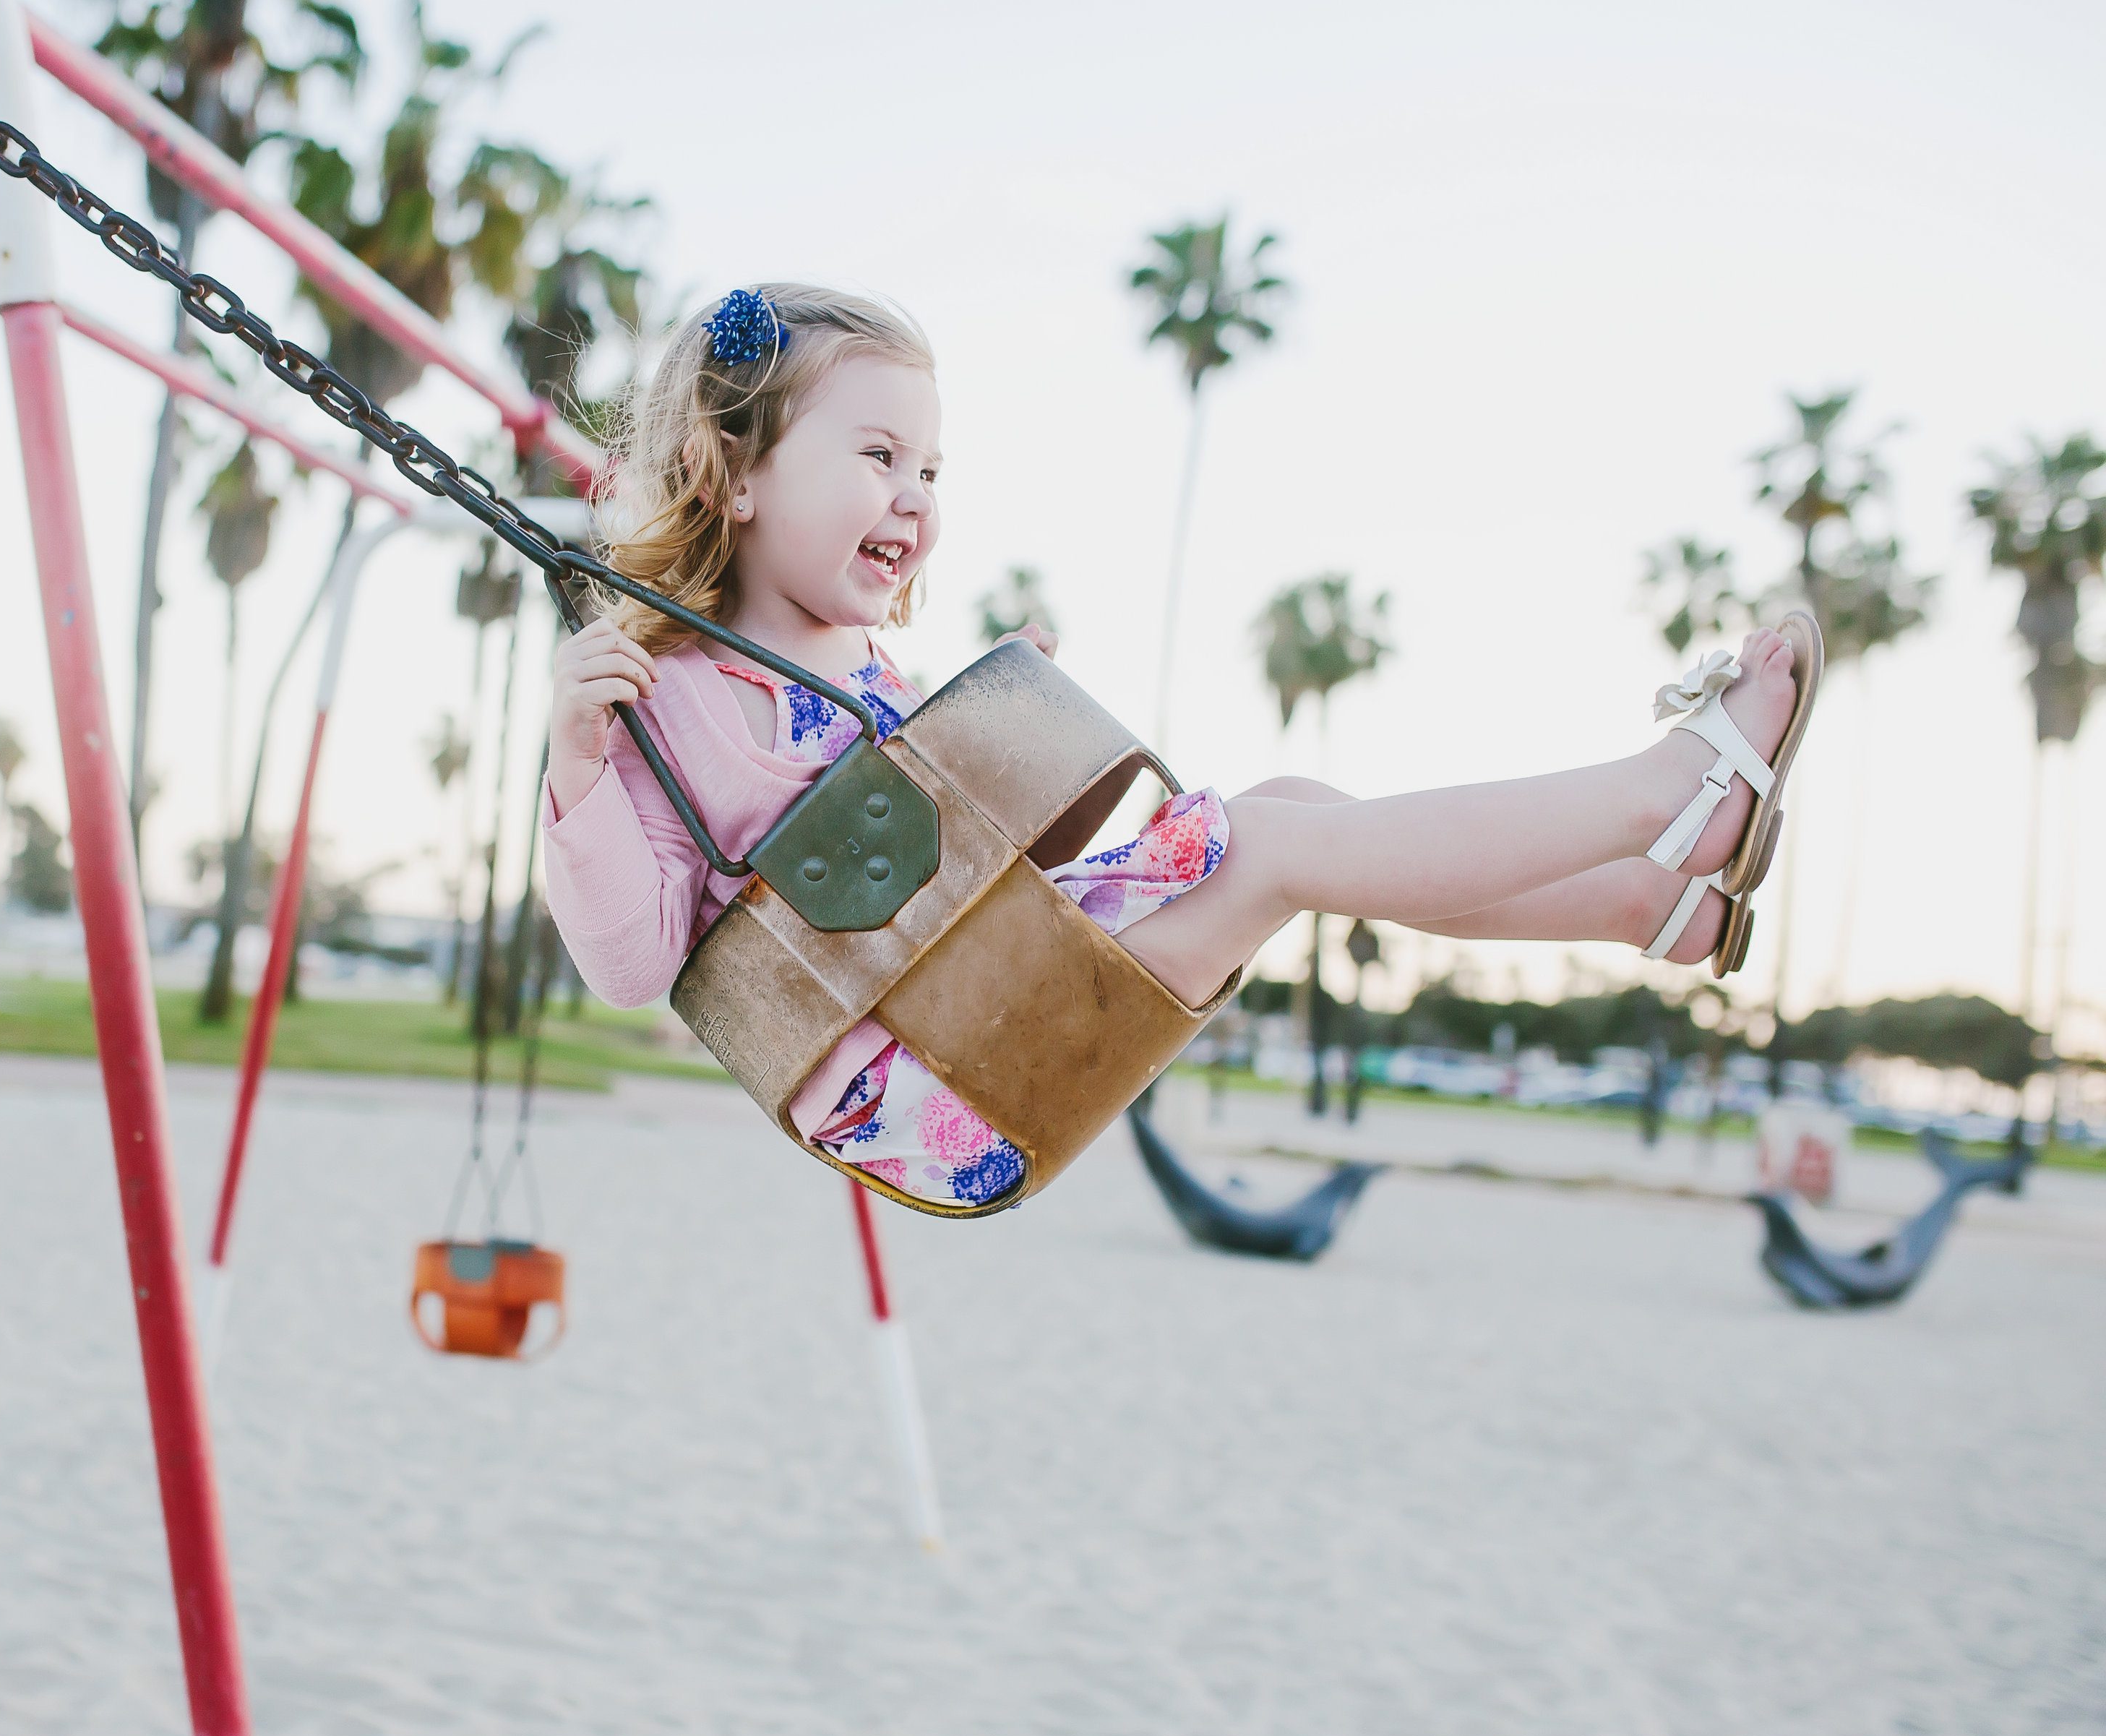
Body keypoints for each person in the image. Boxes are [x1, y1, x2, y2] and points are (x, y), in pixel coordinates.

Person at [541, 285, 1821, 1209]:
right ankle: (1671, 795)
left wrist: (995, 725)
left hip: (982, 983)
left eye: (931, 465)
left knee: (1290, 800)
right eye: (879, 455)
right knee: (1266, 848)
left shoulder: (868, 671)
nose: (918, 495)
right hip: (927, 1074)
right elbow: (634, 961)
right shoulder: (663, 700)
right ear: (735, 474)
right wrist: (579, 777)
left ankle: (1650, 902)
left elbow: (950, 871)